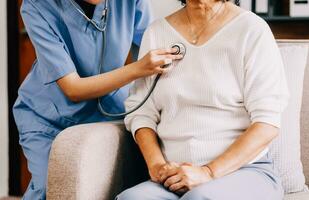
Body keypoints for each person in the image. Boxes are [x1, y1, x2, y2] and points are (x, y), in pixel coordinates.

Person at [119, 0, 289, 199]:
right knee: (132, 198)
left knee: (199, 197)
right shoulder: (156, 32)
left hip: (244, 171)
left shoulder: (252, 29)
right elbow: (141, 113)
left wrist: (208, 172)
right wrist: (157, 166)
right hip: (175, 175)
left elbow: (267, 123)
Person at [13, 0, 183, 199]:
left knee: (115, 185)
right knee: (49, 188)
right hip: (50, 116)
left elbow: (151, 45)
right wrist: (138, 69)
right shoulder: (37, 6)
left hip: (111, 107)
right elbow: (73, 88)